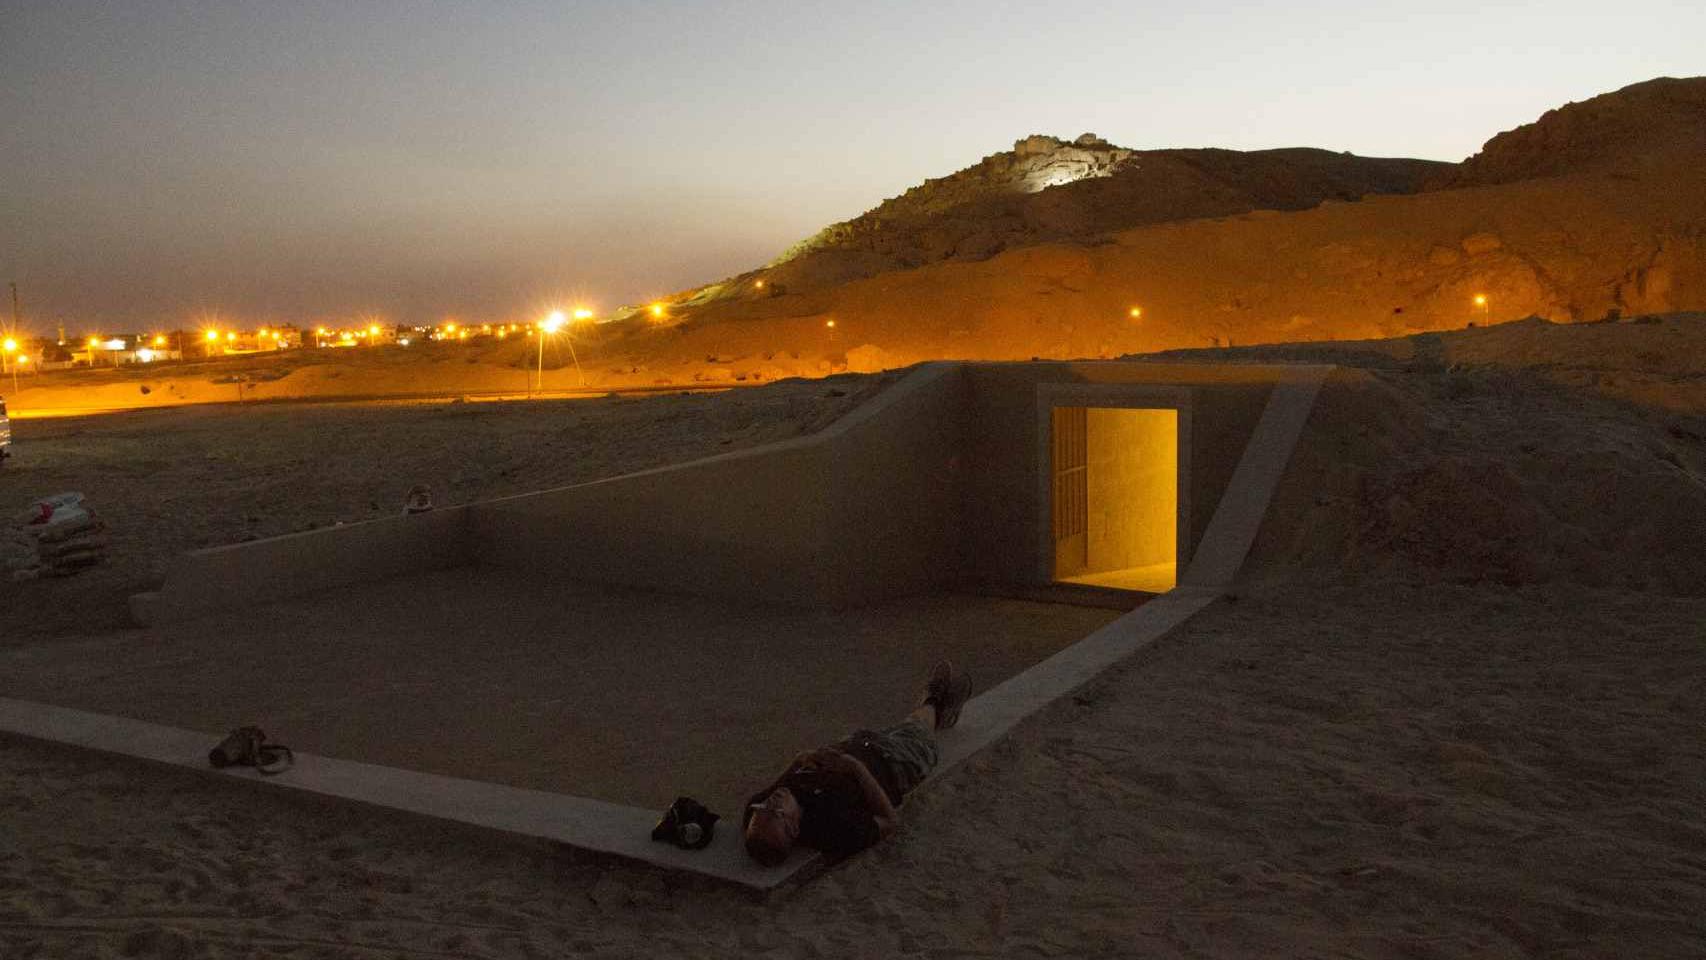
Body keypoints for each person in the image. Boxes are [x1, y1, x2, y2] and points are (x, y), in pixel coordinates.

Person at [742, 660, 972, 866]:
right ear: (793, 828)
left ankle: (938, 704)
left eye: (761, 808)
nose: (770, 801)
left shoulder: (760, 815)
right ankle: (935, 700)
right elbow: (890, 822)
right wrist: (856, 768)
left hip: (860, 744)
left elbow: (763, 806)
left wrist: (798, 761)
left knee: (903, 726)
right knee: (917, 728)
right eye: (775, 811)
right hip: (893, 764)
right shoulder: (835, 827)